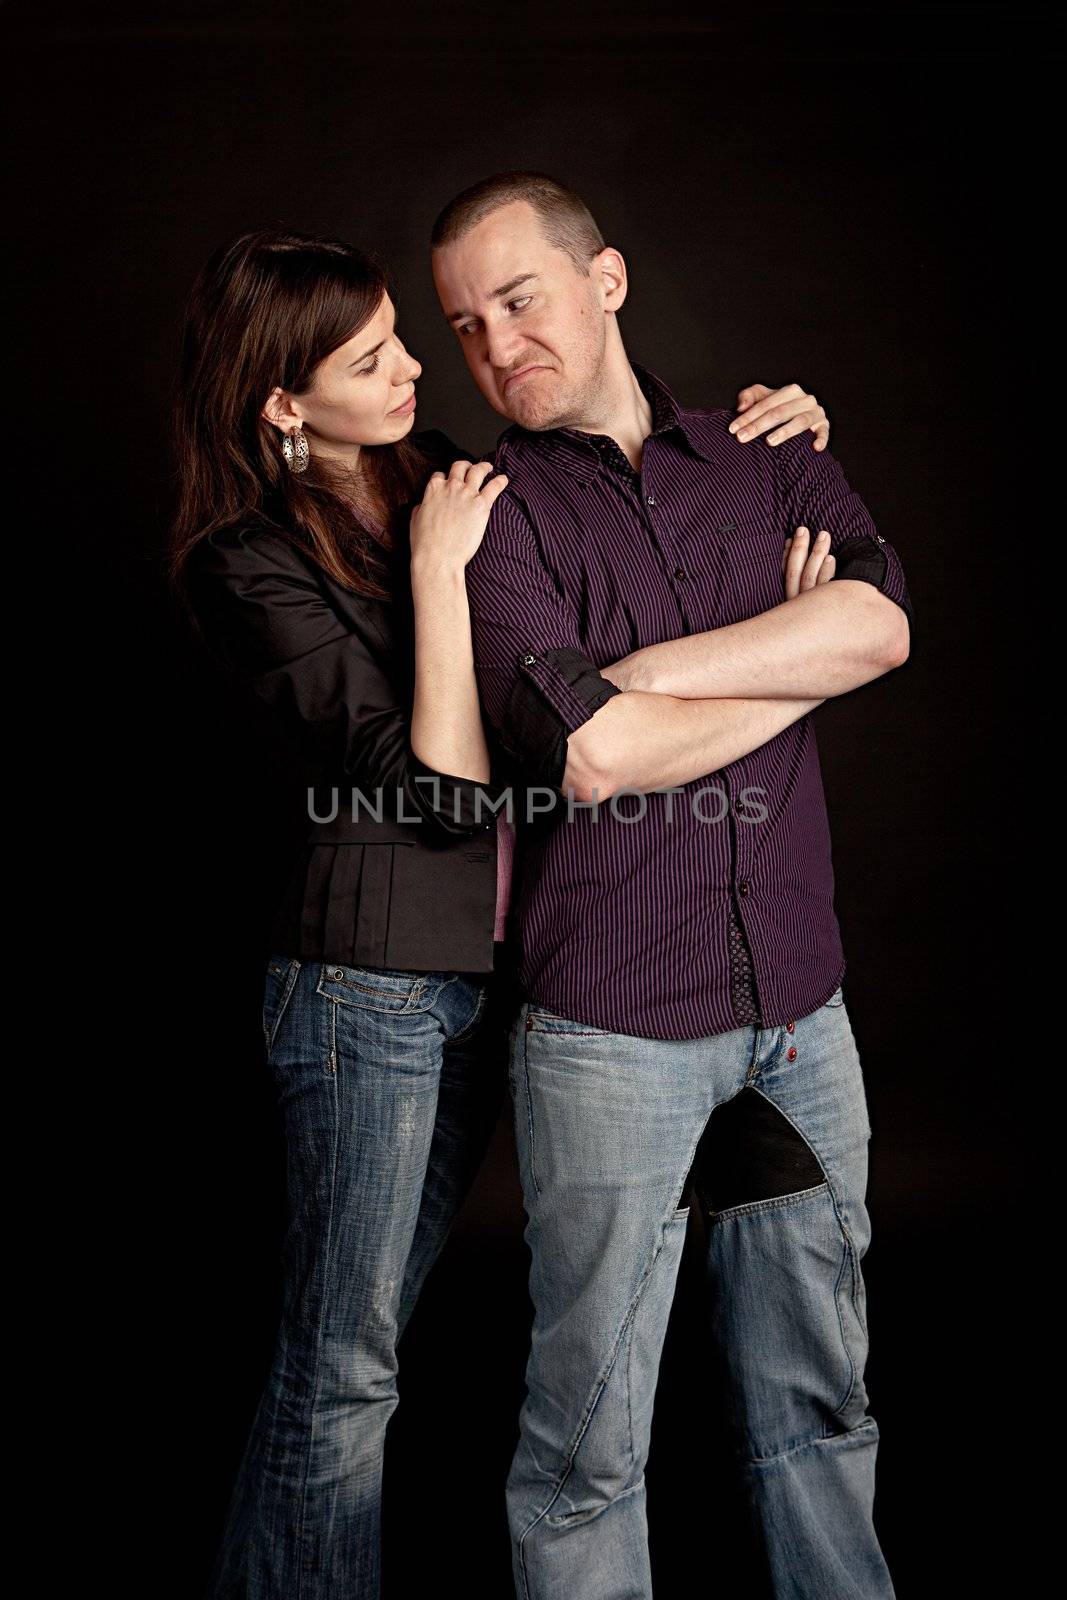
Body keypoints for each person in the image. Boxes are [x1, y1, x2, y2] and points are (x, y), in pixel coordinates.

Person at [167, 225, 829, 1599]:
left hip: (490, 980)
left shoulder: (439, 472)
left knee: (368, 1351)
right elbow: (448, 795)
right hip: (369, 992)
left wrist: (782, 428)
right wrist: (432, 568)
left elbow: (600, 444)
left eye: (409, 336)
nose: (420, 367)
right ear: (284, 406)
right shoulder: (243, 564)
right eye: (372, 359)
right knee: (343, 1372)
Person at [430, 171, 913, 1600]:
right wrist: (784, 649)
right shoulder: (487, 514)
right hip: (611, 1040)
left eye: (520, 299)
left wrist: (639, 681)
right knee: (587, 1444)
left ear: (609, 281)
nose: (497, 343)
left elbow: (881, 626)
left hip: (798, 1016)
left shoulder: (764, 452)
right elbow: (586, 761)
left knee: (820, 1408)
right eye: (464, 324)